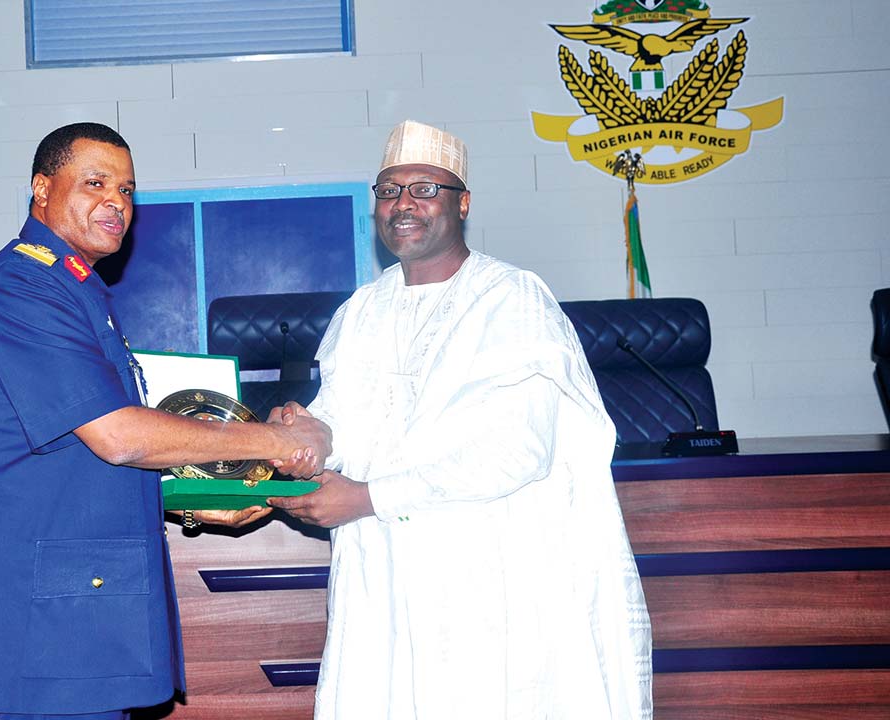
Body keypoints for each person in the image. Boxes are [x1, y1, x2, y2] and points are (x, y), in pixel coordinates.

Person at [0, 122, 331, 720]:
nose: (116, 202)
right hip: (51, 617)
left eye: (125, 189)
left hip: (80, 599)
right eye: (95, 183)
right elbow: (118, 436)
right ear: (42, 188)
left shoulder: (72, 286)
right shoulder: (23, 288)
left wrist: (194, 502)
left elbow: (79, 457)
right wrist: (276, 439)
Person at [268, 119, 653, 719]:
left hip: (483, 574)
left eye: (425, 189)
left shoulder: (512, 299)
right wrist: (306, 431)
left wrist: (367, 497)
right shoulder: (362, 309)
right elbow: (346, 418)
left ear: (462, 203)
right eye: (389, 190)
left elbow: (519, 450)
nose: (403, 204)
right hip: (383, 574)